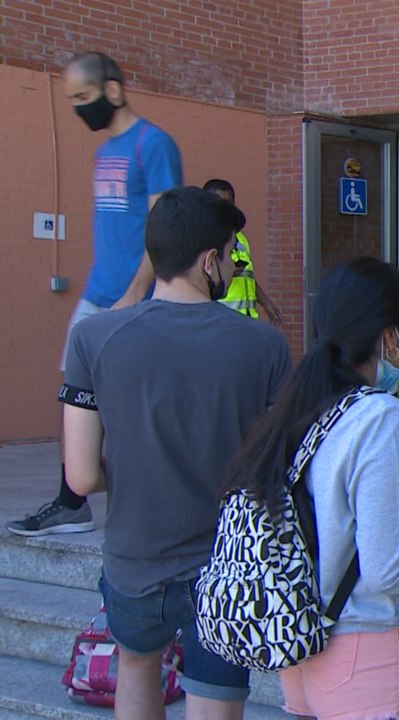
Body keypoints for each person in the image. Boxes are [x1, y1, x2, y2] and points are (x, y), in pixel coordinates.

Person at [223, 256, 399, 720]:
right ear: (388, 335)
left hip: (300, 641)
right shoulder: (380, 415)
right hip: (365, 654)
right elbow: (390, 570)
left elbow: (342, 510)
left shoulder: (305, 405)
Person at [62, 187, 291, 718]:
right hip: (227, 563)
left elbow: (81, 476)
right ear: (209, 261)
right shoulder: (265, 346)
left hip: (133, 561)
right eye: (231, 256)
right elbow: (277, 465)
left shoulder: (91, 338)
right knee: (215, 693)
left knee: (136, 666)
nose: (233, 268)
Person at [8, 51, 182, 537]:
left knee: (137, 402)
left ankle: (150, 497)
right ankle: (71, 501)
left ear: (113, 90)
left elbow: (164, 227)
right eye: (71, 99)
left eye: (83, 96)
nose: (78, 107)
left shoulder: (154, 144)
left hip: (138, 299)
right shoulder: (104, 151)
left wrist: (136, 292)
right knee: (75, 393)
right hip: (97, 294)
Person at [202, 179, 283, 325]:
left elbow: (247, 276)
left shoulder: (240, 238)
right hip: (221, 321)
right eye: (220, 204)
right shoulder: (203, 238)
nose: (225, 209)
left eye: (229, 203)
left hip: (248, 319)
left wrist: (266, 302)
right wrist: (228, 271)